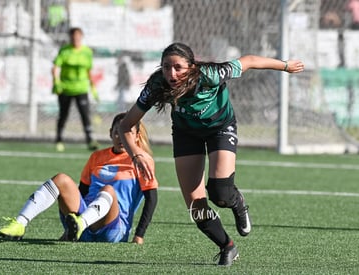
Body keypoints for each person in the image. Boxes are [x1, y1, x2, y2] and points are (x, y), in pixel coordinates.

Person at [118, 42, 304, 266]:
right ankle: (227, 246)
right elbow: (126, 126)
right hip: (186, 134)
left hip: (220, 128)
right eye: (166, 67)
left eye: (178, 67)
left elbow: (250, 61)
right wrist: (136, 154)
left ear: (192, 66)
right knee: (196, 208)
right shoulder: (157, 84)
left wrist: (285, 66)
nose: (171, 73)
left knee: (220, 194)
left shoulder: (210, 74)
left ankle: (238, 203)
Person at [0, 113, 158, 244]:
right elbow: (81, 192)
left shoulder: (142, 160)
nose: (121, 136)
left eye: (127, 132)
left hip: (113, 230)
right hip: (82, 225)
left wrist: (139, 235)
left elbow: (151, 199)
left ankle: (80, 225)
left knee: (108, 189)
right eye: (117, 131)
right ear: (110, 133)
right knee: (61, 179)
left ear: (137, 136)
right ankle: (20, 223)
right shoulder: (97, 157)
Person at [52, 27, 100, 152]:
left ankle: (90, 140)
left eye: (78, 37)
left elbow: (89, 71)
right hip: (66, 88)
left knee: (85, 115)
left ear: (81, 37)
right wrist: (56, 82)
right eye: (73, 37)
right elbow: (55, 67)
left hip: (81, 89)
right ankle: (59, 139)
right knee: (63, 114)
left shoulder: (87, 52)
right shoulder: (64, 51)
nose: (76, 39)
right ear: (70, 38)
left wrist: (93, 87)